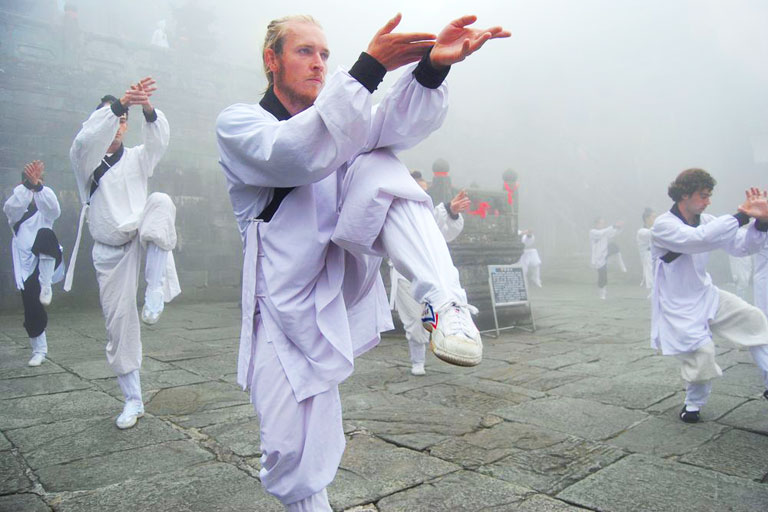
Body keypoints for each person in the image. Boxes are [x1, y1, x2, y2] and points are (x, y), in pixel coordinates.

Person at [216, 13, 509, 511]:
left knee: (381, 166)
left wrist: (432, 69)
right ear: (272, 60)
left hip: (336, 285)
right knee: (290, 452)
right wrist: (368, 68)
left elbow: (389, 120)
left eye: (325, 54)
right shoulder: (241, 124)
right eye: (305, 51)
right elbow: (292, 152)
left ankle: (445, 302)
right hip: (279, 308)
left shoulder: (344, 120)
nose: (319, 63)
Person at [67, 77, 180, 430]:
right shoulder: (84, 162)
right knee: (119, 327)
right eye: (109, 119)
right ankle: (133, 399)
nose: (115, 126)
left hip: (141, 238)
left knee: (160, 202)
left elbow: (158, 140)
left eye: (120, 120)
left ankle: (155, 291)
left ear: (126, 126)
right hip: (109, 251)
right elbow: (85, 140)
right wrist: (117, 104)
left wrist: (145, 108)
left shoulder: (138, 158)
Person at [650, 168, 768, 423]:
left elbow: (741, 246)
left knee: (754, 318)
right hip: (677, 305)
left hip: (707, 294)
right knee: (701, 353)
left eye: (709, 196)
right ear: (684, 194)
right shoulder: (663, 225)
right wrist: (741, 215)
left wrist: (761, 222)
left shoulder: (708, 220)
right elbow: (697, 241)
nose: (708, 201)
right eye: (703, 196)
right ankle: (693, 405)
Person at [389, 174, 470, 376]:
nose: (422, 193)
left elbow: (443, 231)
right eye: (418, 188)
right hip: (405, 276)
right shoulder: (393, 210)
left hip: (433, 277)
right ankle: (418, 360)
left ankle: (453, 340)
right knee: (414, 322)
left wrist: (450, 211)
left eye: (425, 189)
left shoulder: (427, 213)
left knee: (445, 309)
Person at [3, 160, 65, 367]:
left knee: (45, 234)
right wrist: (29, 186)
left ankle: (46, 285)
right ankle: (39, 350)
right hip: (27, 266)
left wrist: (38, 186)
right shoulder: (16, 213)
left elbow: (54, 210)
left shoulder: (45, 209)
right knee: (32, 309)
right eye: (29, 184)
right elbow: (10, 208)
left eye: (38, 183)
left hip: (47, 261)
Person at [590, 217, 626, 299]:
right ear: (596, 224)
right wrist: (614, 226)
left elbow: (614, 233)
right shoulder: (592, 232)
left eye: (603, 223)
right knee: (603, 276)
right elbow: (602, 233)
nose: (603, 225)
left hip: (605, 253)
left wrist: (619, 227)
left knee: (614, 246)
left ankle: (621, 264)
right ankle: (602, 293)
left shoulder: (605, 232)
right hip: (598, 259)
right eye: (601, 223)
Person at [636, 208, 655, 290]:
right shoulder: (641, 232)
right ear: (647, 219)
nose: (655, 219)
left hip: (656, 260)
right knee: (653, 284)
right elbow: (650, 233)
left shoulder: (655, 230)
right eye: (653, 217)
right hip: (648, 260)